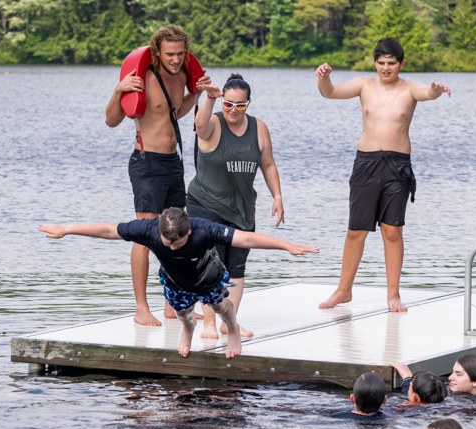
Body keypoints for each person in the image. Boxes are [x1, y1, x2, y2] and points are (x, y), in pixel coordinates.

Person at [37, 208, 318, 358]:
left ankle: (232, 329)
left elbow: (245, 238)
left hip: (206, 275)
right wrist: (67, 229)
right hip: (176, 281)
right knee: (182, 313)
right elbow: (109, 230)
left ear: (190, 231)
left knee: (222, 307)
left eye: (179, 242)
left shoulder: (205, 230)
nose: (171, 248)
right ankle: (188, 329)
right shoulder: (149, 229)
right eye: (166, 243)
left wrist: (287, 246)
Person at [315, 37, 450, 312]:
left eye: (391, 63)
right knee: (356, 230)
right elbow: (329, 93)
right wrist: (324, 78)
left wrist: (435, 91)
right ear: (374, 62)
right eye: (381, 63)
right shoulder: (365, 84)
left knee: (392, 231)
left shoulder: (410, 88)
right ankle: (343, 291)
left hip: (397, 165)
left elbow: (426, 93)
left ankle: (393, 295)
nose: (386, 69)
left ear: (401, 63)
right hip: (366, 163)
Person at [105, 25, 211, 327]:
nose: (176, 60)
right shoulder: (142, 78)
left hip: (173, 163)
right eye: (170, 54)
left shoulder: (180, 79)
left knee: (175, 233)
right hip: (147, 163)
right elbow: (111, 121)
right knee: (144, 234)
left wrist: (197, 93)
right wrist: (118, 91)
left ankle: (171, 304)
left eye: (180, 54)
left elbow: (173, 114)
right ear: (157, 51)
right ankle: (141, 307)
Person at [190, 73, 285, 339]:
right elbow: (200, 125)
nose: (233, 110)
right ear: (222, 103)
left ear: (248, 104)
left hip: (242, 208)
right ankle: (209, 322)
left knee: (237, 269)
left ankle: (229, 321)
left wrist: (277, 197)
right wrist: (210, 98)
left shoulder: (258, 128)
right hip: (206, 204)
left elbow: (267, 163)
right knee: (210, 266)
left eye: (239, 105)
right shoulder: (213, 123)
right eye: (228, 104)